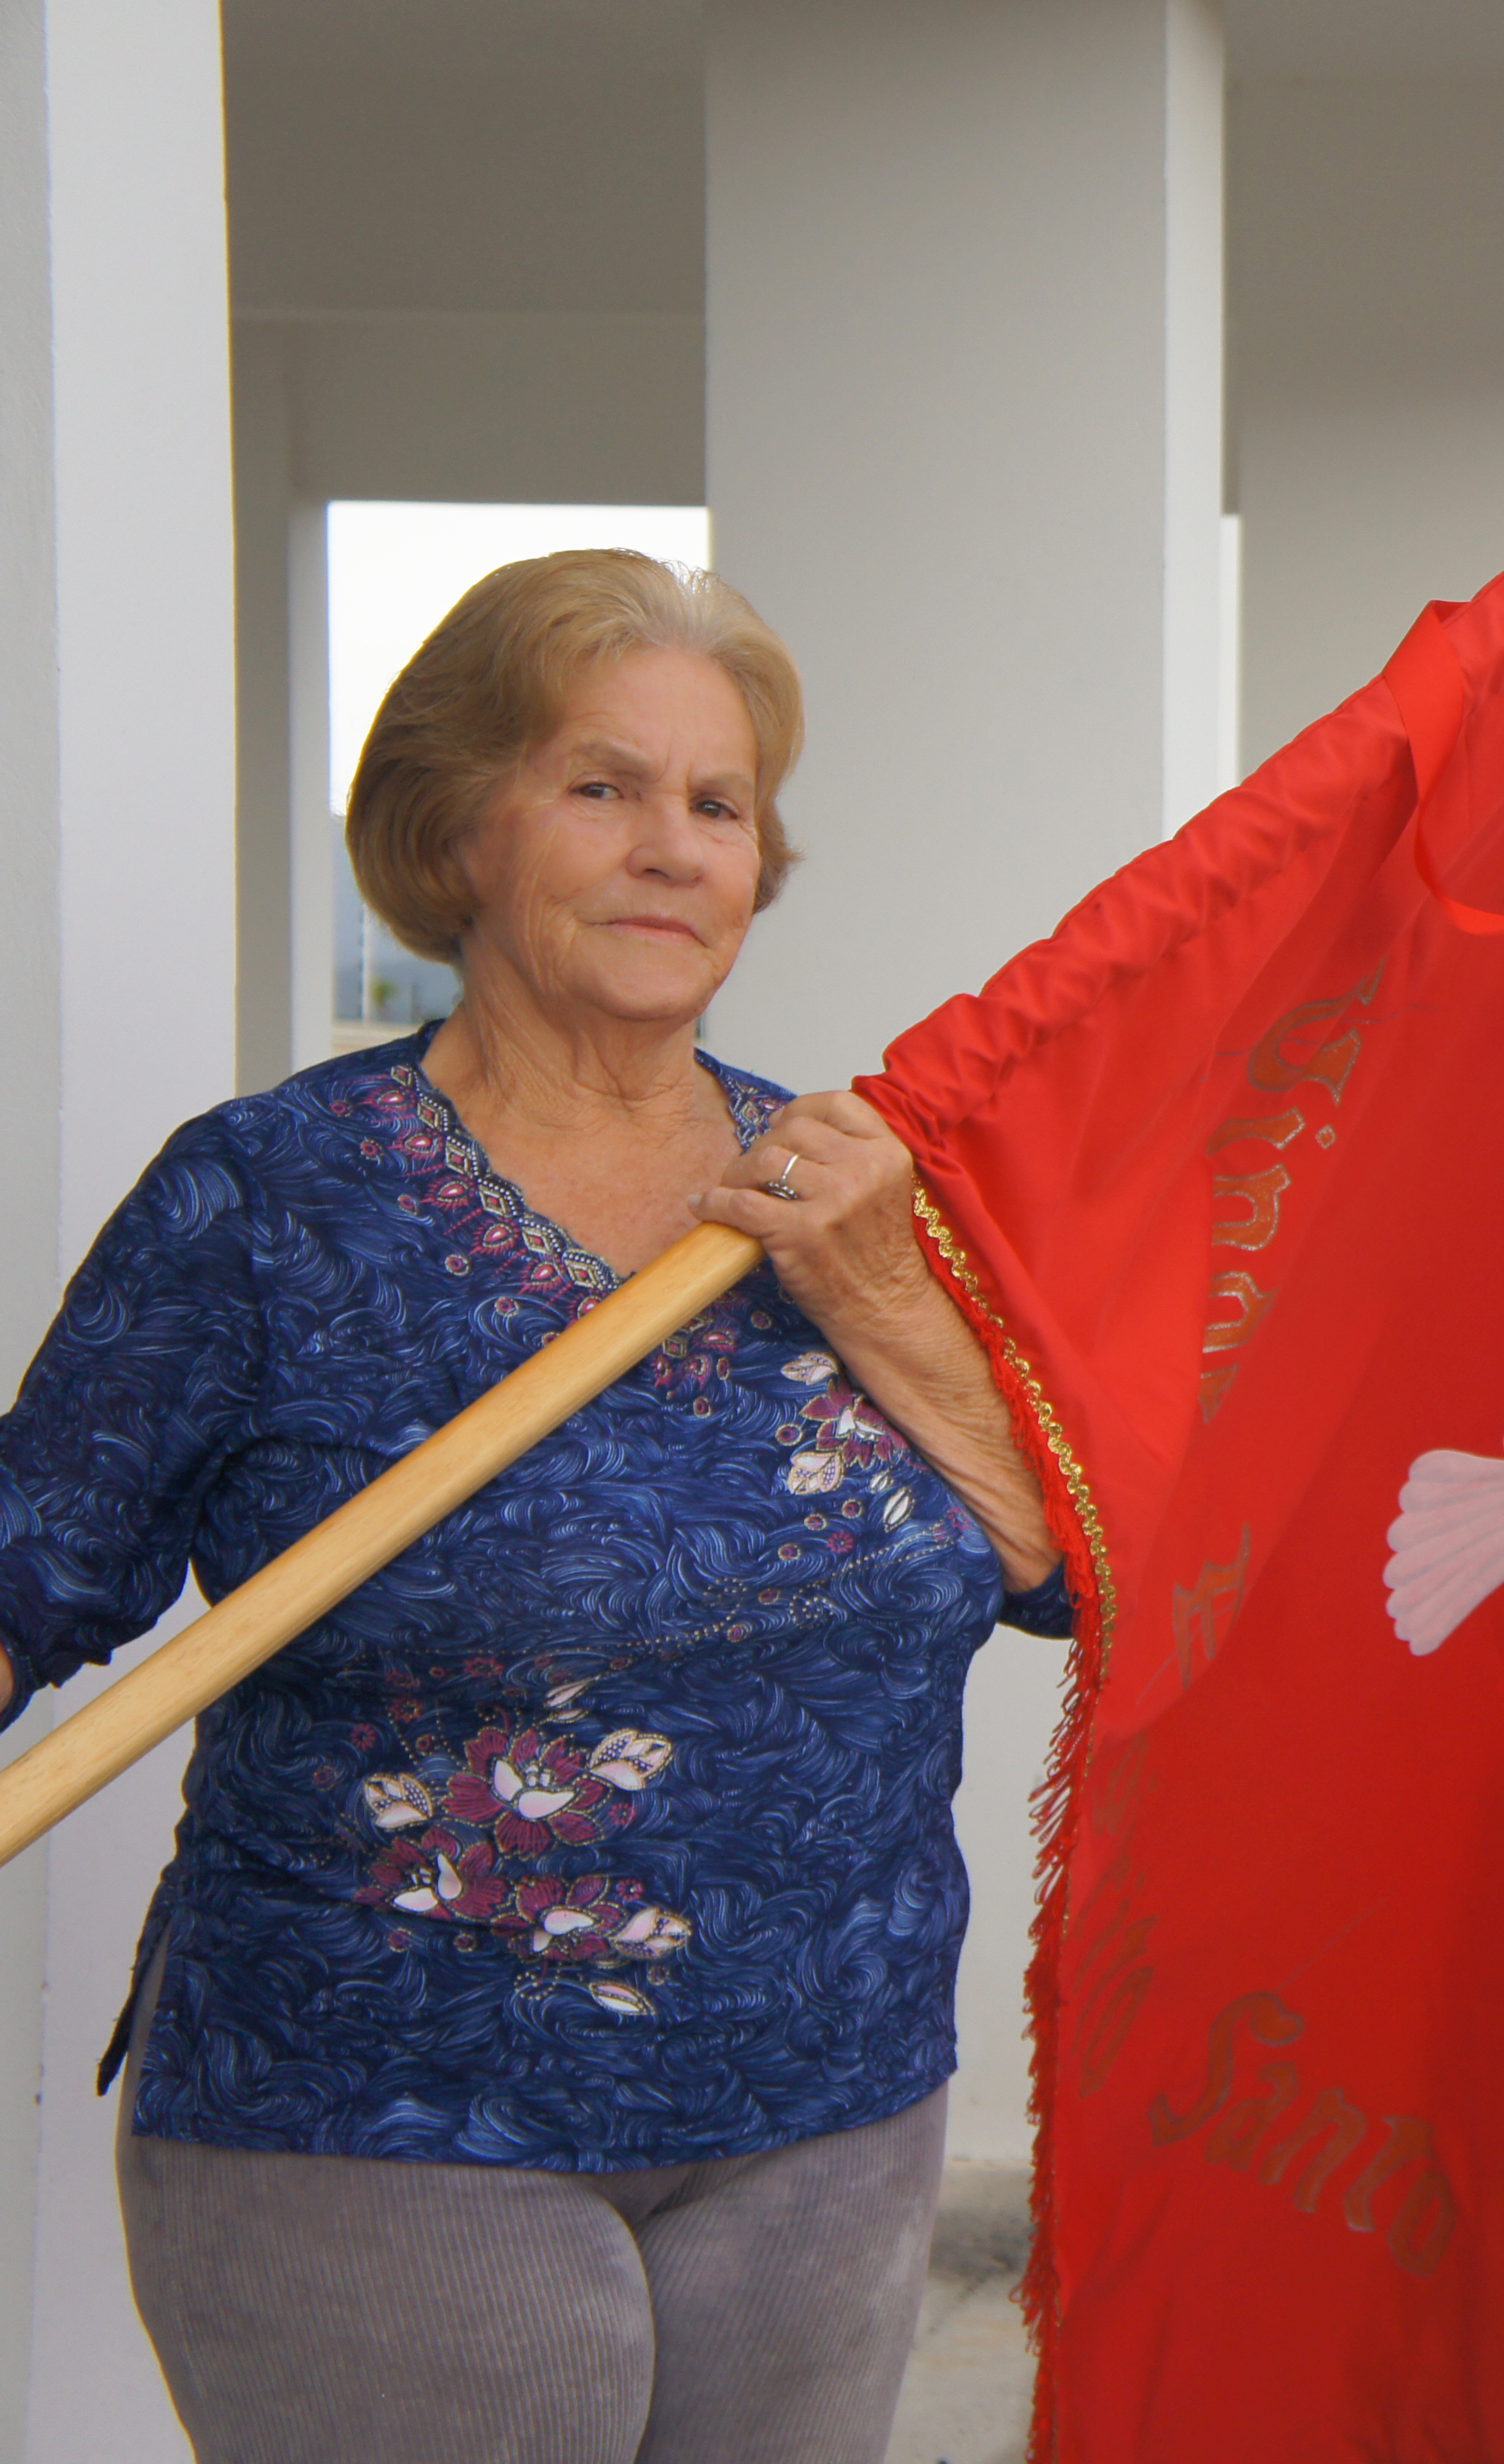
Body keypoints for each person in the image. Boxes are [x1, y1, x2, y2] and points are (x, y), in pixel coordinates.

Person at [0, 550, 1069, 2463]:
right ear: (454, 832)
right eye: (602, 786)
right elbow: (29, 1567)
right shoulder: (270, 1200)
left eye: (717, 805)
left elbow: (1064, 1569)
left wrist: (887, 1293)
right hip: (382, 2123)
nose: (672, 847)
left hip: (828, 2108)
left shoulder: (859, 1196)